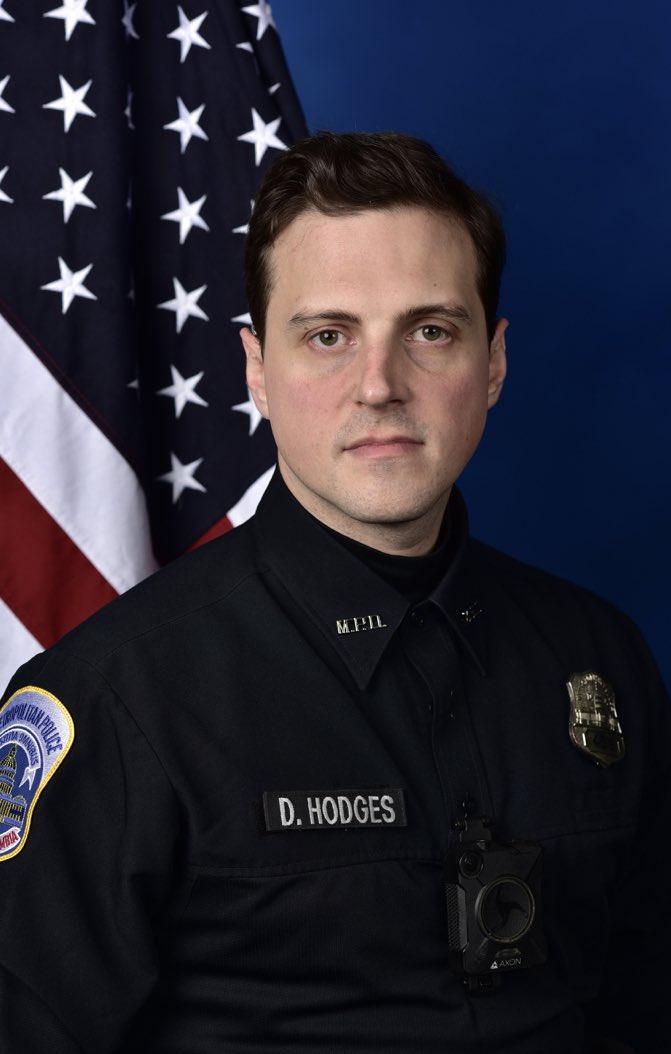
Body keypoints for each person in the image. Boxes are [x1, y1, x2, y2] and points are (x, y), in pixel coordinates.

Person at [0, 132, 668, 1054]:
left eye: (430, 331)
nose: (379, 386)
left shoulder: (599, 659)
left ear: (493, 363)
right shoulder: (115, 699)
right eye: (328, 337)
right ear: (256, 371)